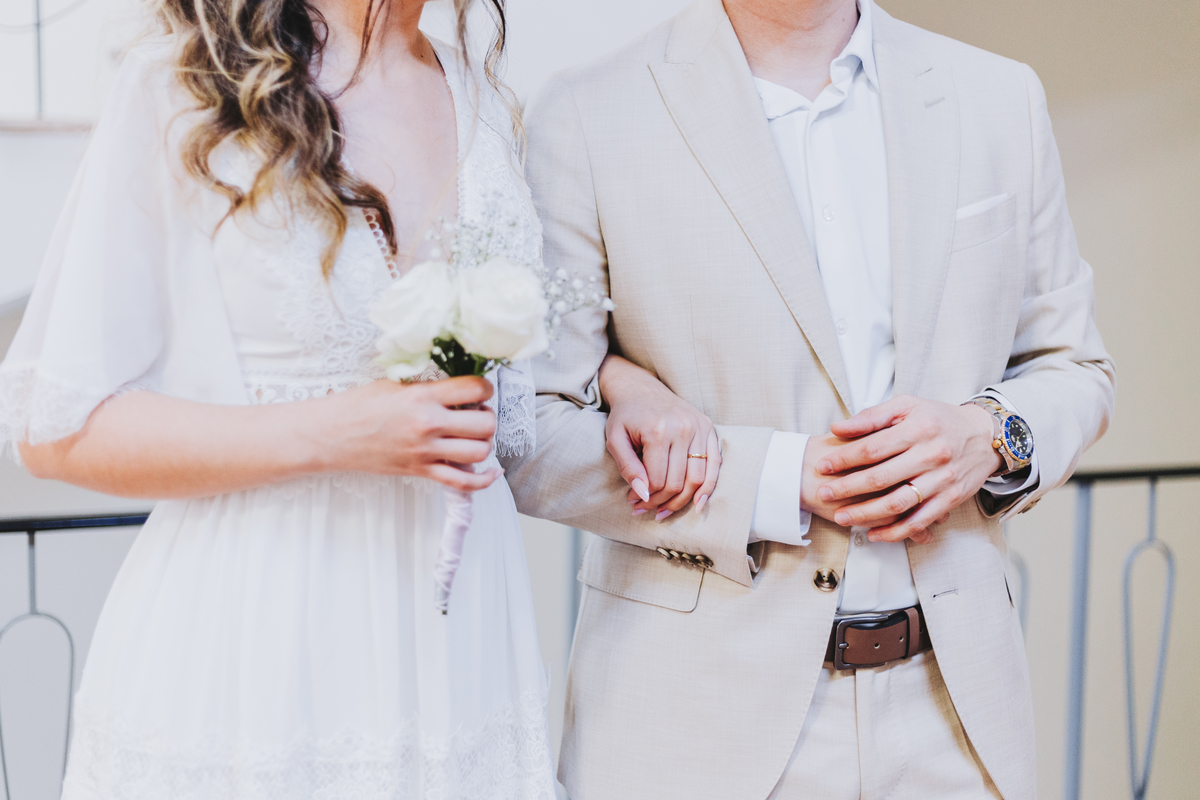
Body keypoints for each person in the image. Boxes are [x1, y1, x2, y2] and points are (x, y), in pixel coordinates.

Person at [0, 0, 717, 796]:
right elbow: (57, 426)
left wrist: (624, 382)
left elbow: (520, 380)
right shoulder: (191, 86)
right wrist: (333, 432)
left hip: (459, 655)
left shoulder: (480, 99)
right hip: (260, 645)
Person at [503, 0, 1115, 797]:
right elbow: (530, 433)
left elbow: (1076, 365)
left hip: (958, 719)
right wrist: (771, 479)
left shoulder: (998, 96)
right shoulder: (587, 112)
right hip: (694, 720)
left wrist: (989, 433)